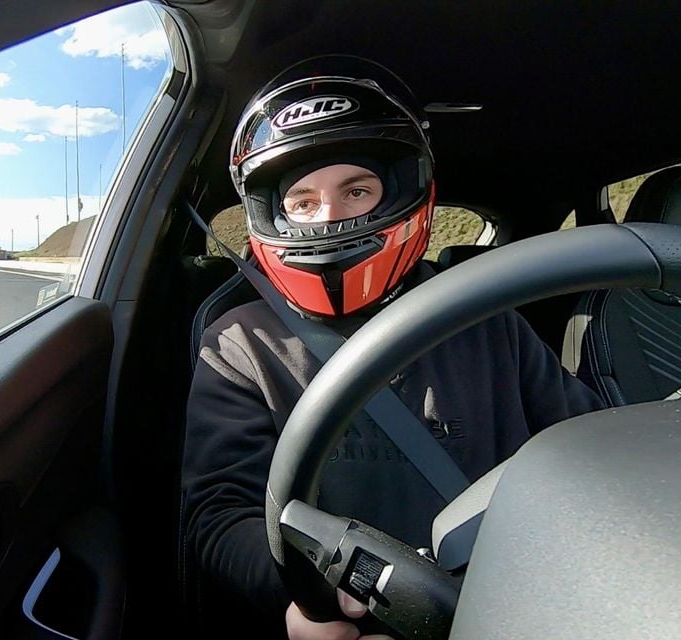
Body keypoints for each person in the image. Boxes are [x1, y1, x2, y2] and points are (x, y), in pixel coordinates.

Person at [180, 55, 604, 639]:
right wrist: (304, 599)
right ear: (272, 214)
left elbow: (584, 453)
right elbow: (219, 515)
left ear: (399, 194)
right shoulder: (240, 344)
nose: (328, 218)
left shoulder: (487, 321)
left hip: (508, 605)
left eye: (356, 191)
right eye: (302, 202)